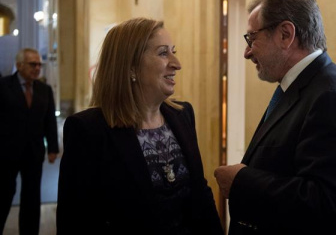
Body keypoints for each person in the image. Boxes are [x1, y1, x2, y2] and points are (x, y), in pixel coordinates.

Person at [214, 0, 336, 235]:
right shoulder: (305, 87)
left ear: (286, 34)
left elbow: (331, 204)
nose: (247, 52)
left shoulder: (331, 96)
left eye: (252, 38)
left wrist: (242, 182)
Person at [56, 17, 224, 235]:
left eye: (174, 51)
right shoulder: (88, 130)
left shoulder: (183, 115)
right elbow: (75, 222)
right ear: (131, 67)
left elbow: (201, 195)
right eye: (163, 53)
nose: (177, 63)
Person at [0, 48, 59, 235]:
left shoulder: (45, 90)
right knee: (4, 194)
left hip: (33, 152)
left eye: (39, 64)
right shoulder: (3, 86)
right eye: (33, 64)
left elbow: (49, 121)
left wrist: (53, 148)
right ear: (19, 65)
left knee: (32, 198)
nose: (37, 68)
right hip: (6, 152)